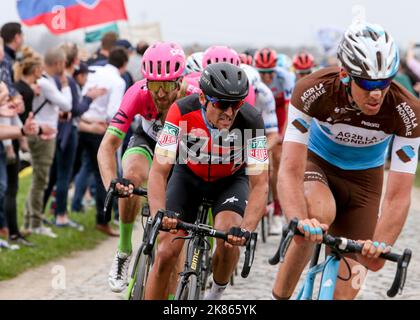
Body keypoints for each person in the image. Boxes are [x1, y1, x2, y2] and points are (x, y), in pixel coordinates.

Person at [271, 22, 420, 300]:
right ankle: (279, 296)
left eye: (384, 82)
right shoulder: (314, 89)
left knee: (357, 276)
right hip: (318, 166)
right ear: (345, 75)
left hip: (364, 183)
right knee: (315, 216)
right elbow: (290, 170)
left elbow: (398, 196)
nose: (376, 93)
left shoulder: (407, 111)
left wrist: (380, 245)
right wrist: (296, 218)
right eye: (366, 83)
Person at [145, 63, 269, 300]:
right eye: (221, 104)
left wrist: (247, 228)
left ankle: (215, 294)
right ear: (202, 98)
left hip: (230, 182)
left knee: (228, 238)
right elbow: (159, 170)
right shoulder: (180, 111)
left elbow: (261, 183)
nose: (230, 113)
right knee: (166, 251)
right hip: (187, 178)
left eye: (236, 104)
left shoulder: (252, 121)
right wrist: (159, 213)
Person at [97, 41, 199, 292]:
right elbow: (107, 146)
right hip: (148, 143)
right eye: (155, 85)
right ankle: (123, 250)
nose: (161, 93)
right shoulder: (138, 92)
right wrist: (112, 183)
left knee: (174, 242)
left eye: (166, 85)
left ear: (180, 81)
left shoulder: (195, 96)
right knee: (129, 180)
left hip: (181, 153)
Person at [78, 47, 128, 237]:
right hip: (99, 128)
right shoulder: (118, 80)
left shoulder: (94, 71)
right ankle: (103, 219)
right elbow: (114, 112)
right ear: (123, 64)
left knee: (85, 169)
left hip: (82, 123)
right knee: (104, 175)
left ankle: (75, 207)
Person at [23, 47, 71, 238]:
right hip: (43, 136)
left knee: (39, 179)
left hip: (41, 132)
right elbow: (67, 105)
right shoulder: (47, 83)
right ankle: (34, 222)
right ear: (58, 63)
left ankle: (31, 218)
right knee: (40, 181)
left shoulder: (42, 81)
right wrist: (66, 85)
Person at [254, 48, 295, 233]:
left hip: (278, 114)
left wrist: (282, 136)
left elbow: (288, 111)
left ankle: (278, 213)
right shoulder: (254, 81)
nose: (267, 76)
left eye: (270, 72)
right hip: (260, 112)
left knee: (277, 160)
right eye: (263, 73)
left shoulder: (285, 77)